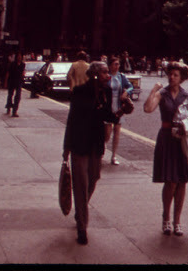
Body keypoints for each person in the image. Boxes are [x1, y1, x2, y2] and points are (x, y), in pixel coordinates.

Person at [63, 60, 123, 245]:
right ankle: (82, 226)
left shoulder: (105, 92)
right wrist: (66, 148)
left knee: (94, 177)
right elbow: (71, 119)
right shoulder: (80, 92)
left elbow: (107, 116)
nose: (108, 75)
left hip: (95, 145)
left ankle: (80, 210)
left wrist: (121, 112)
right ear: (96, 74)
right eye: (105, 72)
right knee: (80, 184)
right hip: (79, 144)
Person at [143, 61, 188, 237]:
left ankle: (177, 221)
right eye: (170, 74)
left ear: (182, 78)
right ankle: (166, 218)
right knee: (171, 181)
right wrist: (153, 90)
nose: (172, 77)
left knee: (182, 180)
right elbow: (148, 109)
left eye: (176, 75)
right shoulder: (163, 93)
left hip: (183, 140)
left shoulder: (187, 95)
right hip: (167, 138)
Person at [104, 55, 134, 165]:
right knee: (107, 133)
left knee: (117, 131)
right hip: (108, 107)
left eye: (118, 64)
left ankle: (114, 156)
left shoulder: (121, 76)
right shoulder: (106, 76)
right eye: (115, 64)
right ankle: (102, 149)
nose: (117, 66)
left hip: (118, 106)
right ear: (110, 65)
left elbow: (130, 86)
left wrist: (126, 92)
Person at [5, 51, 26, 116]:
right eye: (18, 56)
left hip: (19, 82)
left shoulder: (23, 64)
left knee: (18, 96)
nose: (19, 57)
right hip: (11, 81)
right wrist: (5, 82)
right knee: (10, 95)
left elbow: (23, 72)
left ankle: (15, 110)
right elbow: (8, 73)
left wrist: (23, 77)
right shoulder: (12, 64)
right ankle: (9, 106)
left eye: (20, 56)